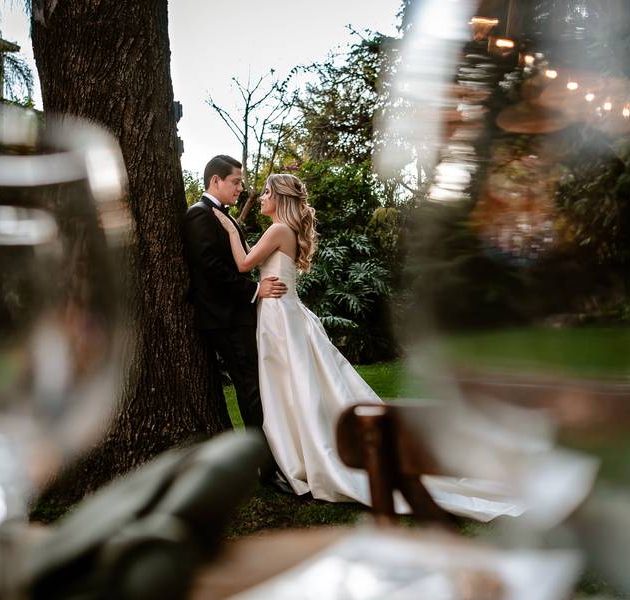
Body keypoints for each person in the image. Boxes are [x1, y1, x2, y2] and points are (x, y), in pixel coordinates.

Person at [213, 173, 523, 521]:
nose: (261, 197)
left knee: (291, 386)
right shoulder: (285, 230)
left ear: (280, 198)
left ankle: (304, 454)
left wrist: (230, 230)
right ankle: (298, 451)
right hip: (282, 313)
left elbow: (243, 264)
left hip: (280, 317)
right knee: (293, 386)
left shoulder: (278, 229)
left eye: (267, 192)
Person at [180, 155, 286, 434]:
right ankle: (263, 453)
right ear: (216, 180)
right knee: (250, 387)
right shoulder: (199, 214)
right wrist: (255, 289)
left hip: (236, 315)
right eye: (236, 182)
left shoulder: (221, 215)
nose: (241, 188)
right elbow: (210, 267)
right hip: (225, 318)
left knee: (255, 384)